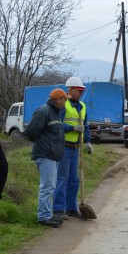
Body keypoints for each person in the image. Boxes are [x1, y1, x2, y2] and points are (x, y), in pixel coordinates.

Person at [24, 88, 70, 227]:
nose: (66, 102)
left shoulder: (55, 113)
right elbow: (30, 133)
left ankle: (48, 214)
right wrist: (46, 145)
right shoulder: (44, 112)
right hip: (45, 155)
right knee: (47, 186)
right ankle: (44, 217)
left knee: (51, 186)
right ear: (58, 99)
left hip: (52, 155)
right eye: (65, 99)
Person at [53, 77, 93, 220]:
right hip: (64, 147)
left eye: (82, 90)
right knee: (62, 179)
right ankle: (58, 209)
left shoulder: (82, 106)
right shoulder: (63, 105)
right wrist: (72, 128)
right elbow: (57, 124)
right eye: (79, 90)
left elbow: (86, 125)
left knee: (74, 180)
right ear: (70, 90)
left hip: (77, 147)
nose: (81, 93)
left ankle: (71, 208)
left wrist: (88, 141)